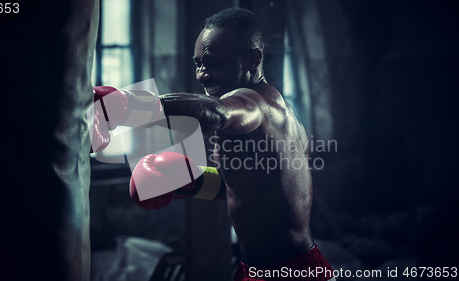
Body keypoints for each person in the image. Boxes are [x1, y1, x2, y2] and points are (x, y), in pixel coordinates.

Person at [131, 7, 335, 281]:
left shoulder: (254, 105)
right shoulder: (284, 117)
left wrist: (132, 106)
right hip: (263, 270)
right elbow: (258, 189)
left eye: (213, 63)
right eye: (198, 64)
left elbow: (215, 111)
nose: (202, 75)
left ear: (253, 59)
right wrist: (194, 182)